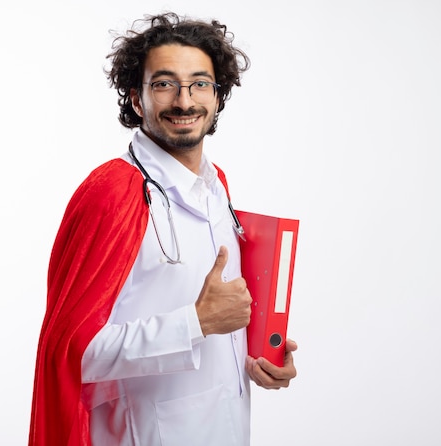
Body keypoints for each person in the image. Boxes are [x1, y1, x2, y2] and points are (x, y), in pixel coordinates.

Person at [29, 12, 298, 446]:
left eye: (199, 84)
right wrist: (195, 323)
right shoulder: (112, 192)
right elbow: (73, 354)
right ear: (137, 99)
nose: (184, 100)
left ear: (217, 95)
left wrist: (257, 357)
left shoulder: (215, 187)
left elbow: (215, 316)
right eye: (164, 83)